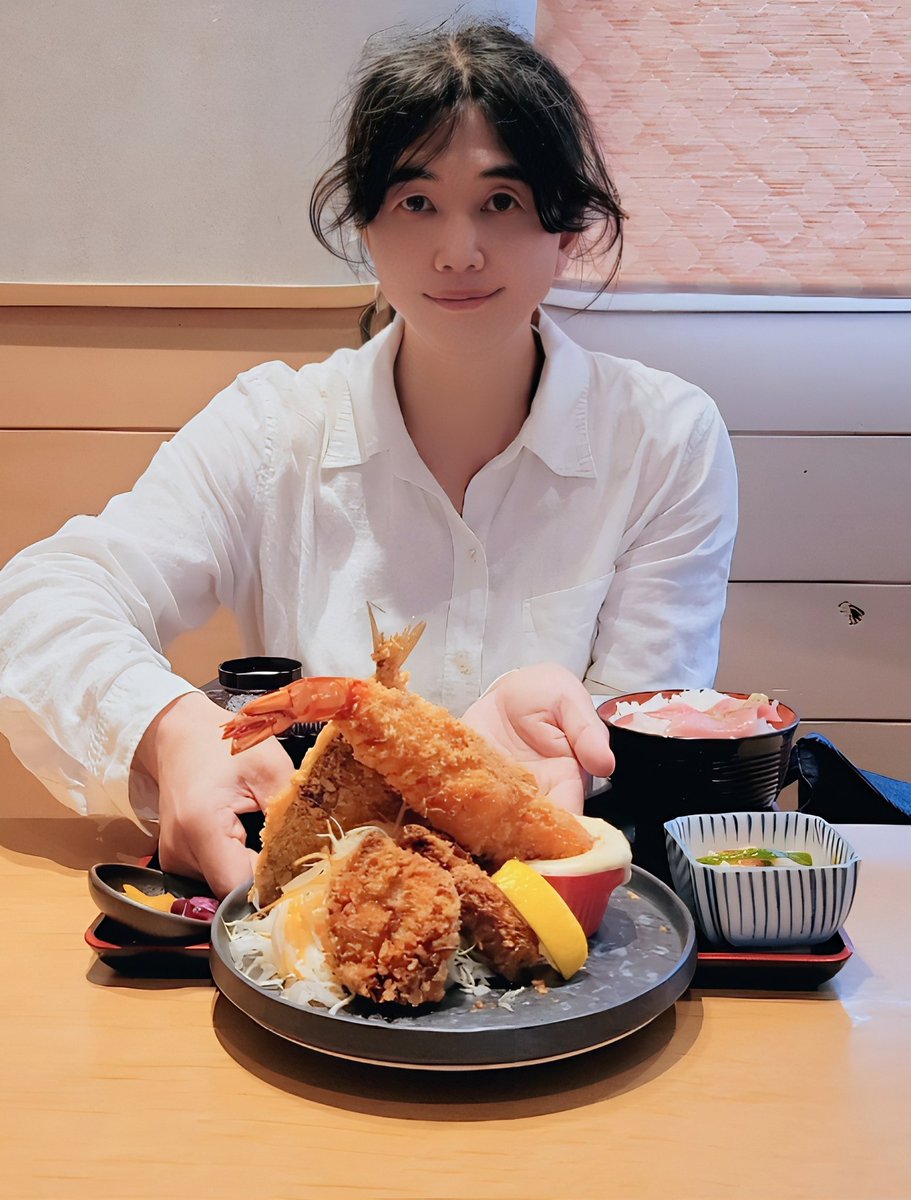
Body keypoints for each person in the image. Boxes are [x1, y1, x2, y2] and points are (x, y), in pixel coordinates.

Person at [0, 20, 737, 897]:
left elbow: (640, 731)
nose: (457, 252)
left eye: (501, 202)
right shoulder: (272, 428)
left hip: (553, 910)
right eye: (415, 202)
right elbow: (44, 598)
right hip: (307, 910)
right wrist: (177, 733)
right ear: (365, 223)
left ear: (568, 227)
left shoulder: (663, 439)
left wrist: (512, 767)